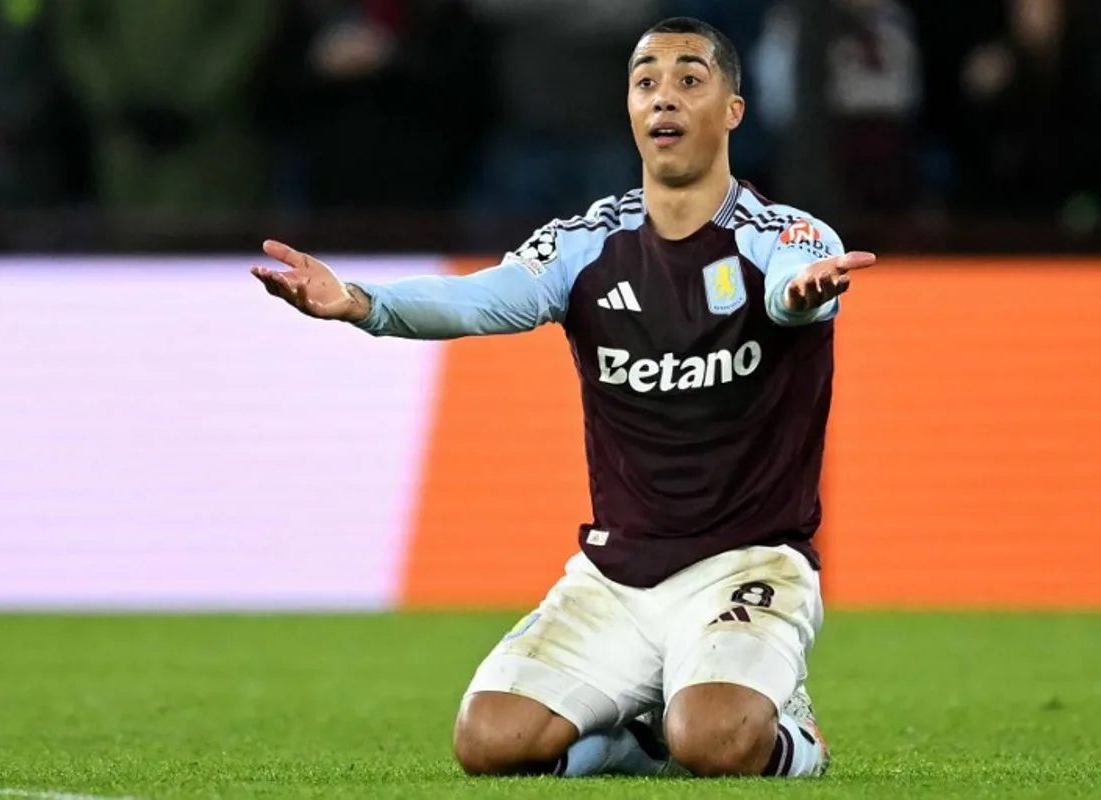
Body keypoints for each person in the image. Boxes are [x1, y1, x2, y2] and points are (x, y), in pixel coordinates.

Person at [252, 16, 876, 779]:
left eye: (689, 79)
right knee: (488, 741)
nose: (664, 98)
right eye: (646, 81)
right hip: (617, 576)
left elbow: (793, 292)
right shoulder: (586, 243)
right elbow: (483, 299)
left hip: (751, 564)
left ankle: (792, 729)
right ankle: (640, 741)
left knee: (716, 739)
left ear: (733, 111)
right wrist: (359, 300)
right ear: (630, 108)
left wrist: (799, 296)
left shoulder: (788, 236)